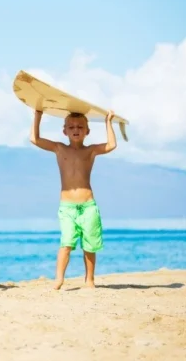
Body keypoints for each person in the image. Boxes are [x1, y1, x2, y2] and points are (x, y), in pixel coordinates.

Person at [30, 109, 117, 289]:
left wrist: (108, 121)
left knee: (90, 245)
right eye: (71, 127)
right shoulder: (59, 148)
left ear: (87, 131)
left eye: (80, 127)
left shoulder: (91, 151)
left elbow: (111, 145)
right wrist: (38, 115)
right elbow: (35, 139)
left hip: (88, 206)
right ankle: (59, 279)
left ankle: (89, 280)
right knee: (66, 243)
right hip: (67, 207)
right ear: (65, 131)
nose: (75, 129)